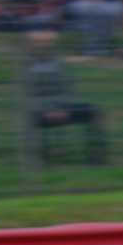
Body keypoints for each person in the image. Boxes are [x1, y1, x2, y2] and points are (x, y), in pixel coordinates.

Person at [24, 29, 106, 164]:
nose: (44, 46)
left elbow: (69, 89)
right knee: (34, 117)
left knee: (94, 111)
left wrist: (63, 107)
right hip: (40, 111)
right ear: (31, 45)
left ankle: (96, 156)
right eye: (39, 43)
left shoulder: (59, 64)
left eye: (48, 43)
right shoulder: (27, 66)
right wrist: (49, 108)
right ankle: (40, 158)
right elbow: (29, 94)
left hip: (64, 107)